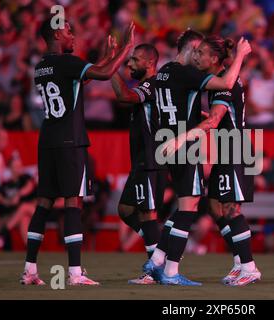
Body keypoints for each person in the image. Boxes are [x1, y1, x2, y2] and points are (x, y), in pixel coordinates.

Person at [20, 16, 136, 286]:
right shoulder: (68, 62)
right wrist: (125, 50)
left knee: (43, 204)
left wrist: (106, 57)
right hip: (71, 141)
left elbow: (76, 83)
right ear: (58, 34)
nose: (73, 35)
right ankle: (74, 273)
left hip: (47, 141)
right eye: (69, 31)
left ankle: (29, 270)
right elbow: (104, 75)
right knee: (73, 203)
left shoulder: (41, 67)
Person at [145, 29, 252, 286]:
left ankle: (248, 266)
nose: (197, 56)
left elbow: (216, 118)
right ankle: (238, 263)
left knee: (228, 208)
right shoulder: (204, 79)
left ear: (215, 58)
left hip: (235, 147)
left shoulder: (222, 79)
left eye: (202, 53)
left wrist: (183, 137)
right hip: (218, 147)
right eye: (197, 50)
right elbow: (216, 117)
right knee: (212, 206)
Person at [110, 43, 167, 284]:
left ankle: (155, 270)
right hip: (142, 159)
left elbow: (123, 96)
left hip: (151, 158)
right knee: (125, 210)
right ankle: (161, 251)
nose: (129, 64)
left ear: (150, 63)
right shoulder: (149, 85)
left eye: (134, 60)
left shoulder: (151, 86)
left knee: (147, 213)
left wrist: (111, 65)